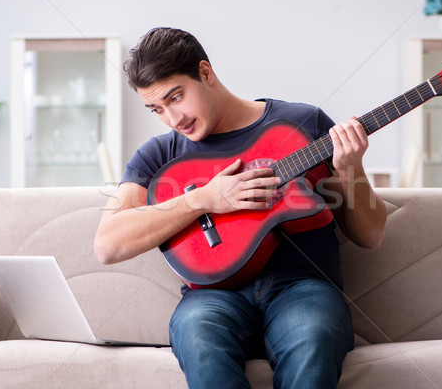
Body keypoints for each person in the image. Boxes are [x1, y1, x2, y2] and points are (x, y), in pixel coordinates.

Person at [94, 27, 387, 389]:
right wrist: (203, 198)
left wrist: (350, 167)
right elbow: (108, 244)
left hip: (302, 288)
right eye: (157, 109)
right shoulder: (159, 155)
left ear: (205, 72)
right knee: (198, 335)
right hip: (211, 298)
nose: (173, 119)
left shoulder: (305, 122)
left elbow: (370, 235)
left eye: (176, 97)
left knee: (312, 336)